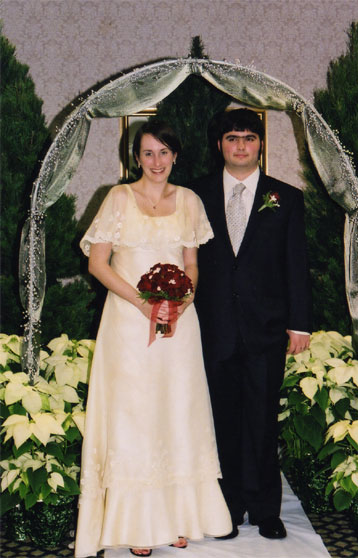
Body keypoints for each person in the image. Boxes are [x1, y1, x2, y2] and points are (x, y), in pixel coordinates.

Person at [74, 121, 232, 557]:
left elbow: (192, 264)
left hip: (179, 327)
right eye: (148, 153)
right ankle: (137, 525)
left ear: (176, 156)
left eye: (164, 152)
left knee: (177, 413)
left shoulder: (190, 201)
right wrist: (144, 304)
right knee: (135, 415)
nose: (157, 162)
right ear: (136, 158)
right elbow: (99, 265)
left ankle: (178, 517)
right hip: (128, 326)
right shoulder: (118, 199)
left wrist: (182, 300)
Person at [191, 108, 312, 541]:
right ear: (219, 144)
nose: (240, 146)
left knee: (262, 419)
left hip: (266, 328)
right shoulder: (196, 195)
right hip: (213, 326)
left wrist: (300, 323)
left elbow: (296, 264)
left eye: (248, 138)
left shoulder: (287, 197)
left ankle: (266, 510)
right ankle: (227, 507)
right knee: (221, 419)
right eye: (231, 138)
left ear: (260, 144)